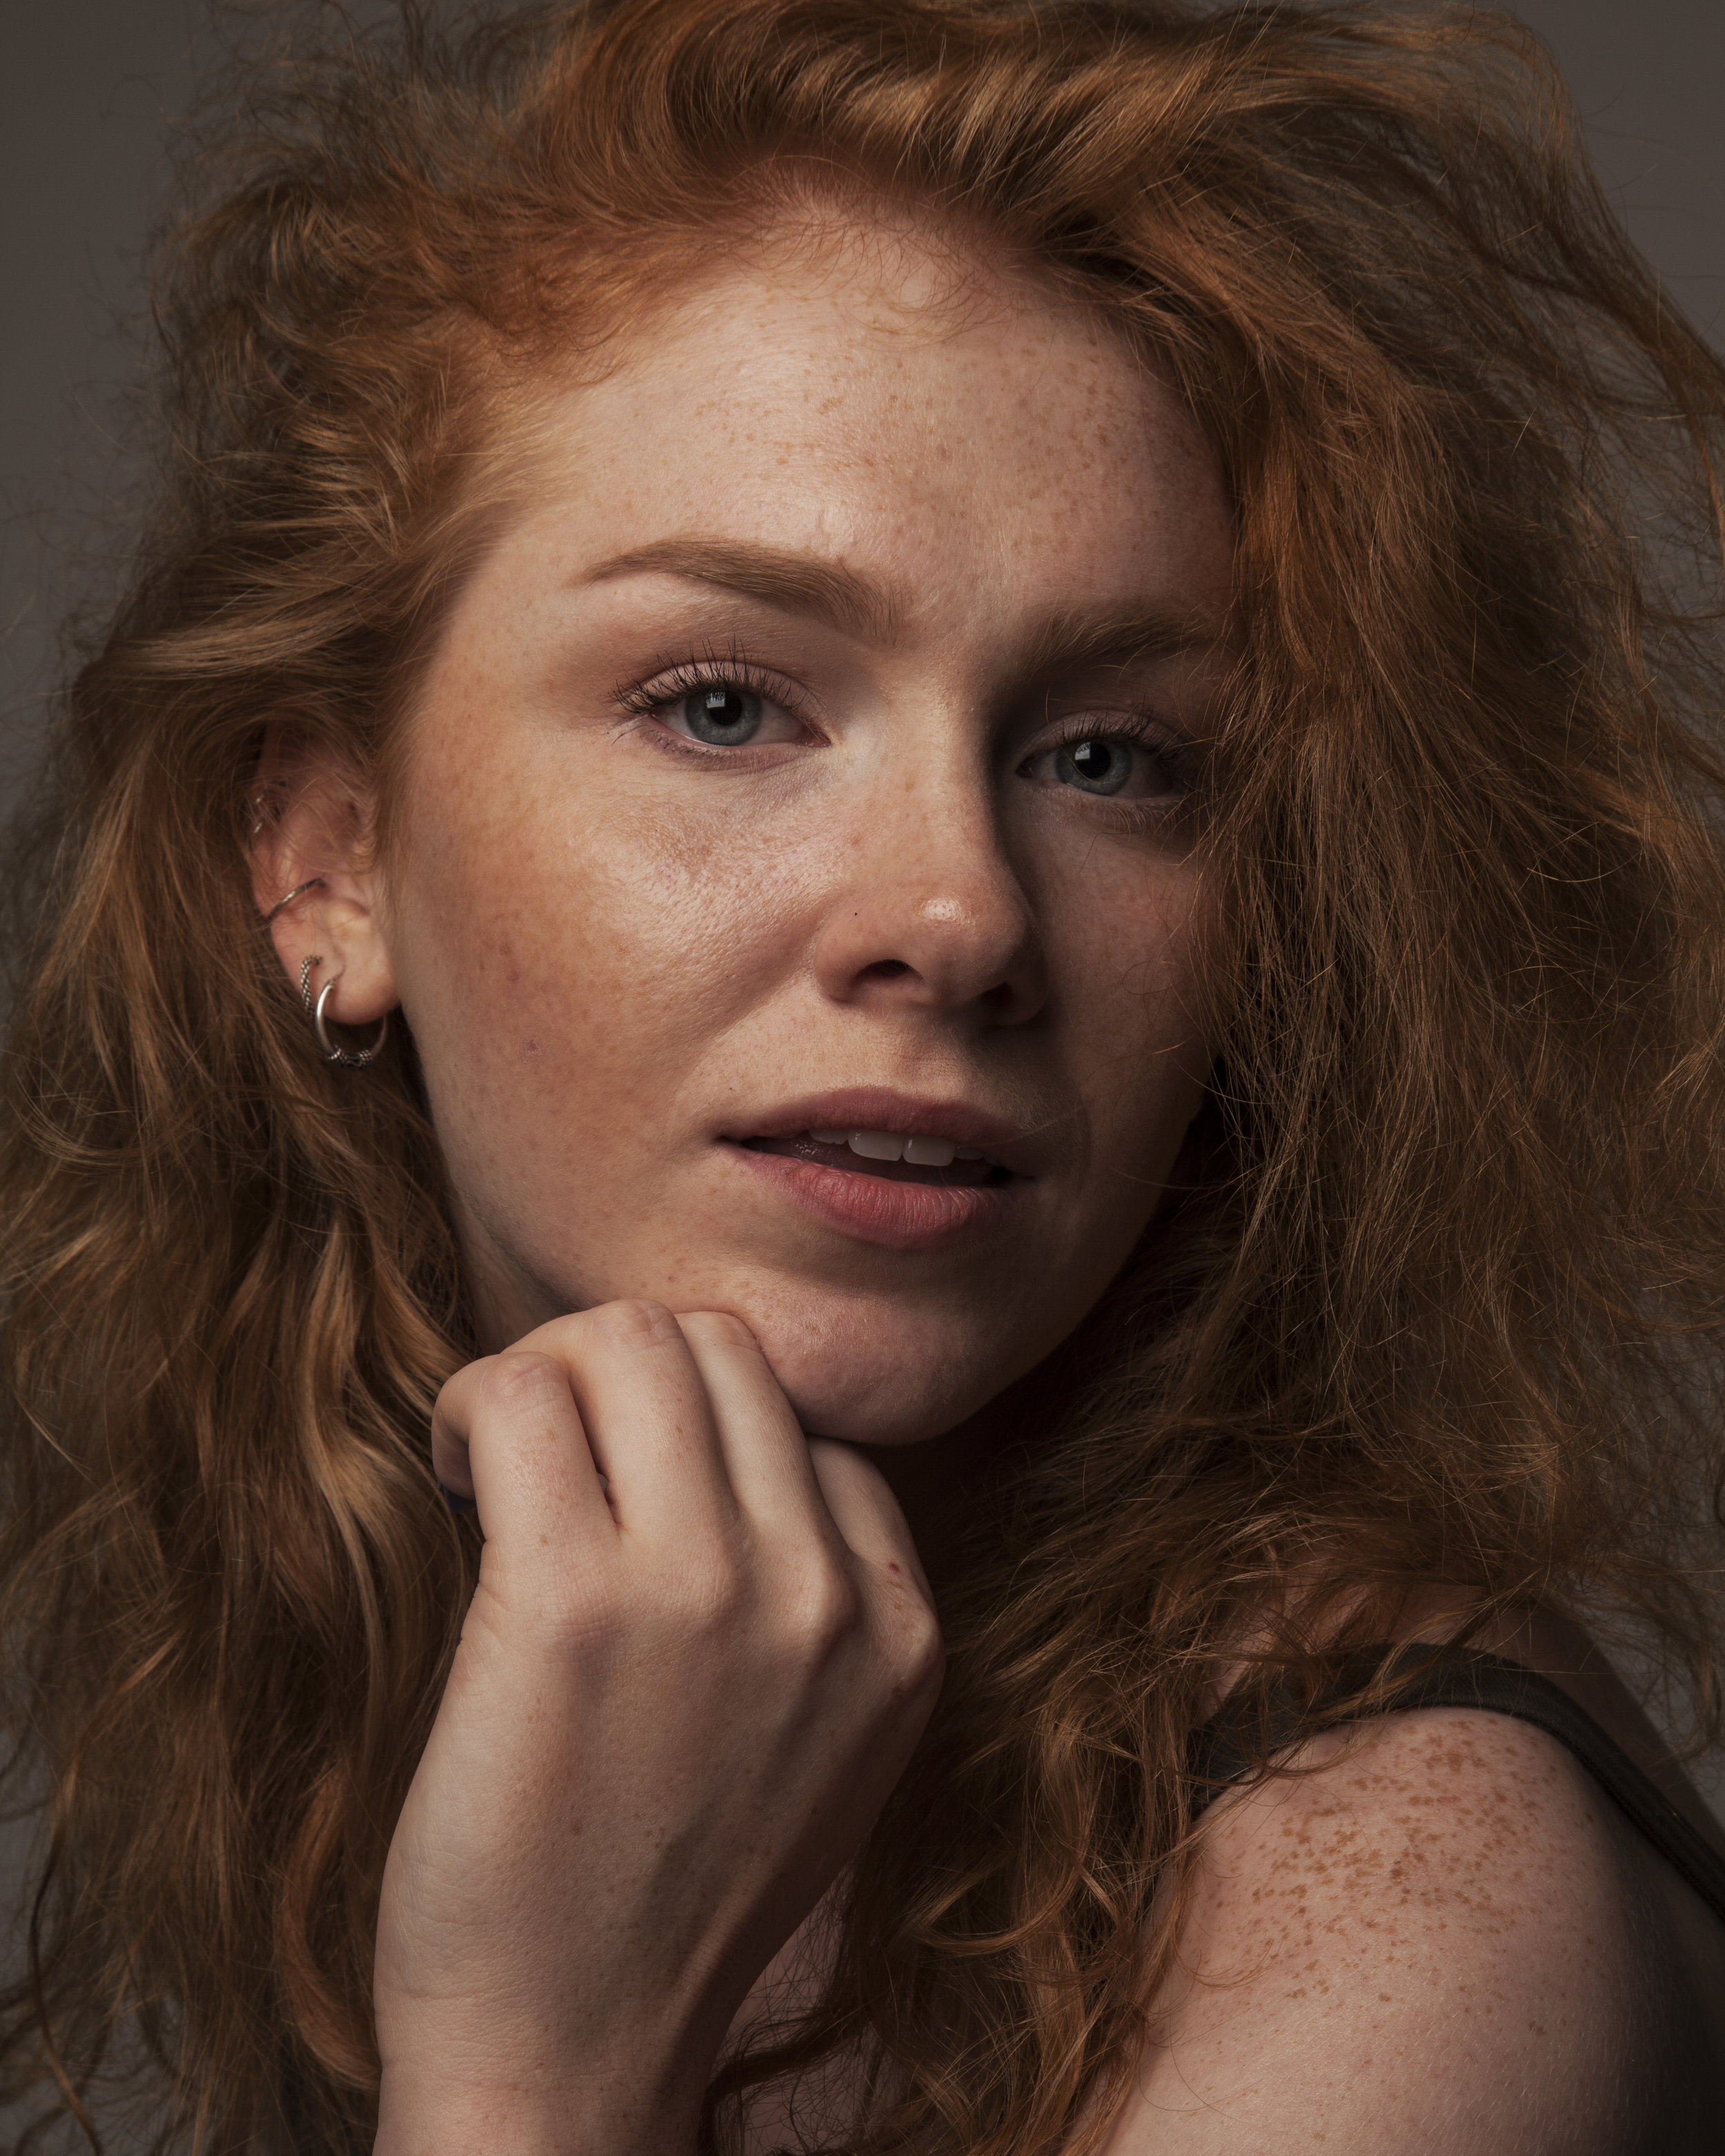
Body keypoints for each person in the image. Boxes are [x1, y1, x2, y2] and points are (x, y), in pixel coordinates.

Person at [2, 0, 1724, 2148]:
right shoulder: (459, 1617)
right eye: (726, 708)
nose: (962, 914)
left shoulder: (1412, 1923)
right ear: (327, 857)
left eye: (1107, 757)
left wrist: (532, 2081)